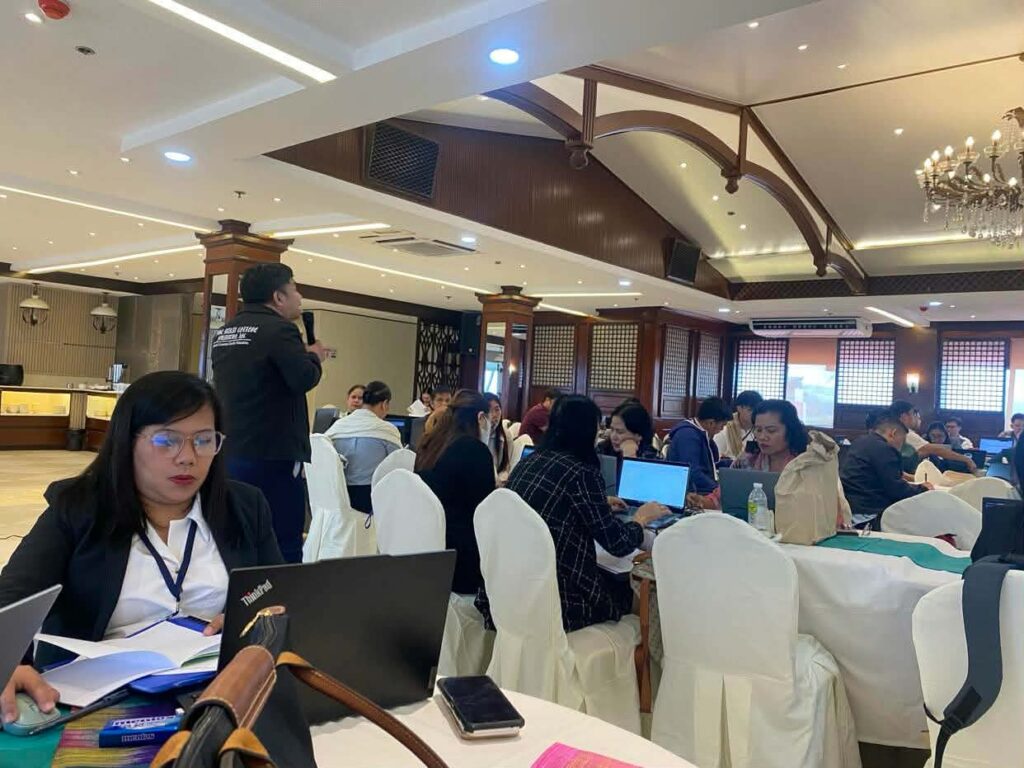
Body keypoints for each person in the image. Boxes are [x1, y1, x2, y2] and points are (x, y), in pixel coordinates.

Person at [0, 371, 285, 725]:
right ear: (127, 441)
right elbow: (11, 597)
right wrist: (9, 662)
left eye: (203, 440)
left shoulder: (244, 506)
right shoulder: (78, 508)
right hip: (96, 703)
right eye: (167, 440)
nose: (188, 457)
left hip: (219, 695)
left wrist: (251, 619)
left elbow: (277, 593)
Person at [477, 395, 667, 632]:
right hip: (558, 602)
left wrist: (598, 503)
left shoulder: (530, 460)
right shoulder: (581, 472)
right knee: (638, 591)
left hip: (508, 593)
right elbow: (617, 543)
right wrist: (640, 520)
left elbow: (552, 502)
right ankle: (645, 652)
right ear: (587, 432)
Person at [211, 263, 327, 563]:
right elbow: (302, 378)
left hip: (231, 448)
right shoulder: (280, 330)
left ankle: (239, 586)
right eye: (295, 289)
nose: (299, 297)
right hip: (273, 451)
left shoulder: (226, 332)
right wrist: (314, 357)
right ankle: (282, 590)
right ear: (278, 296)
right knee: (281, 535)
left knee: (239, 530)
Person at [415, 390, 496, 595]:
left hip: (425, 548)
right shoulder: (475, 451)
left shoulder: (430, 443)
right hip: (462, 559)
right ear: (481, 418)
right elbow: (485, 512)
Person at [840, 409, 932, 528]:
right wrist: (923, 490)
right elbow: (896, 489)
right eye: (902, 440)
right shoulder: (884, 449)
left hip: (850, 506)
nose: (902, 446)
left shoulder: (860, 442)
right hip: (869, 512)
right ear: (893, 433)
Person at [324, 380, 401, 515]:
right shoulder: (387, 430)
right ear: (384, 404)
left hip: (338, 497)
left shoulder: (337, 426)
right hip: (370, 499)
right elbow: (399, 468)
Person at [666, 397, 732, 507]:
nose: (721, 430)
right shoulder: (688, 436)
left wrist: (732, 464)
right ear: (711, 423)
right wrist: (718, 488)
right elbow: (693, 472)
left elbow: (710, 464)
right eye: (722, 426)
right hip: (691, 494)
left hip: (700, 489)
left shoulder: (699, 432)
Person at [891, 401, 976, 473]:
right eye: (914, 414)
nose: (917, 419)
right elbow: (935, 449)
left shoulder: (894, 428)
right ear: (904, 416)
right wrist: (967, 459)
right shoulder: (904, 432)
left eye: (940, 436)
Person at [732, 399, 809, 472]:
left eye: (771, 431)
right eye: (758, 430)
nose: (762, 437)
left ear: (790, 431)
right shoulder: (746, 461)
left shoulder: (805, 465)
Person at [715, 390, 764, 460]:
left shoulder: (761, 430)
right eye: (750, 410)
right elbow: (715, 458)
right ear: (739, 408)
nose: (754, 414)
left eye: (757, 411)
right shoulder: (724, 429)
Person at [483, 393, 512, 481]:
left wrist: (502, 478)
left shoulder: (506, 435)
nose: (494, 415)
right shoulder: (475, 435)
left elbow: (506, 466)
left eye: (497, 409)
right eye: (489, 410)